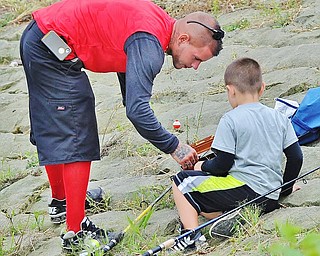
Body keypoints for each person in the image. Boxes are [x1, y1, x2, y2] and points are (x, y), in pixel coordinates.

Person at [19, 0, 224, 251]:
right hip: (50, 47)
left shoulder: (155, 25)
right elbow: (137, 111)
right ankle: (76, 231)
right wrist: (174, 146)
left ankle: (63, 203)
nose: (194, 67)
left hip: (42, 37)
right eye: (197, 58)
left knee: (62, 124)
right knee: (75, 131)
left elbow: (129, 85)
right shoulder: (149, 44)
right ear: (182, 39)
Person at [171, 57, 303, 252]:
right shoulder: (279, 117)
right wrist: (285, 189)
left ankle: (190, 236)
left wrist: (201, 166)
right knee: (205, 202)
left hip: (245, 189)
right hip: (270, 196)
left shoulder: (230, 119)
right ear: (262, 88)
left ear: (230, 90)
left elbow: (222, 165)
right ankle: (235, 215)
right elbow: (296, 157)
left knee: (182, 182)